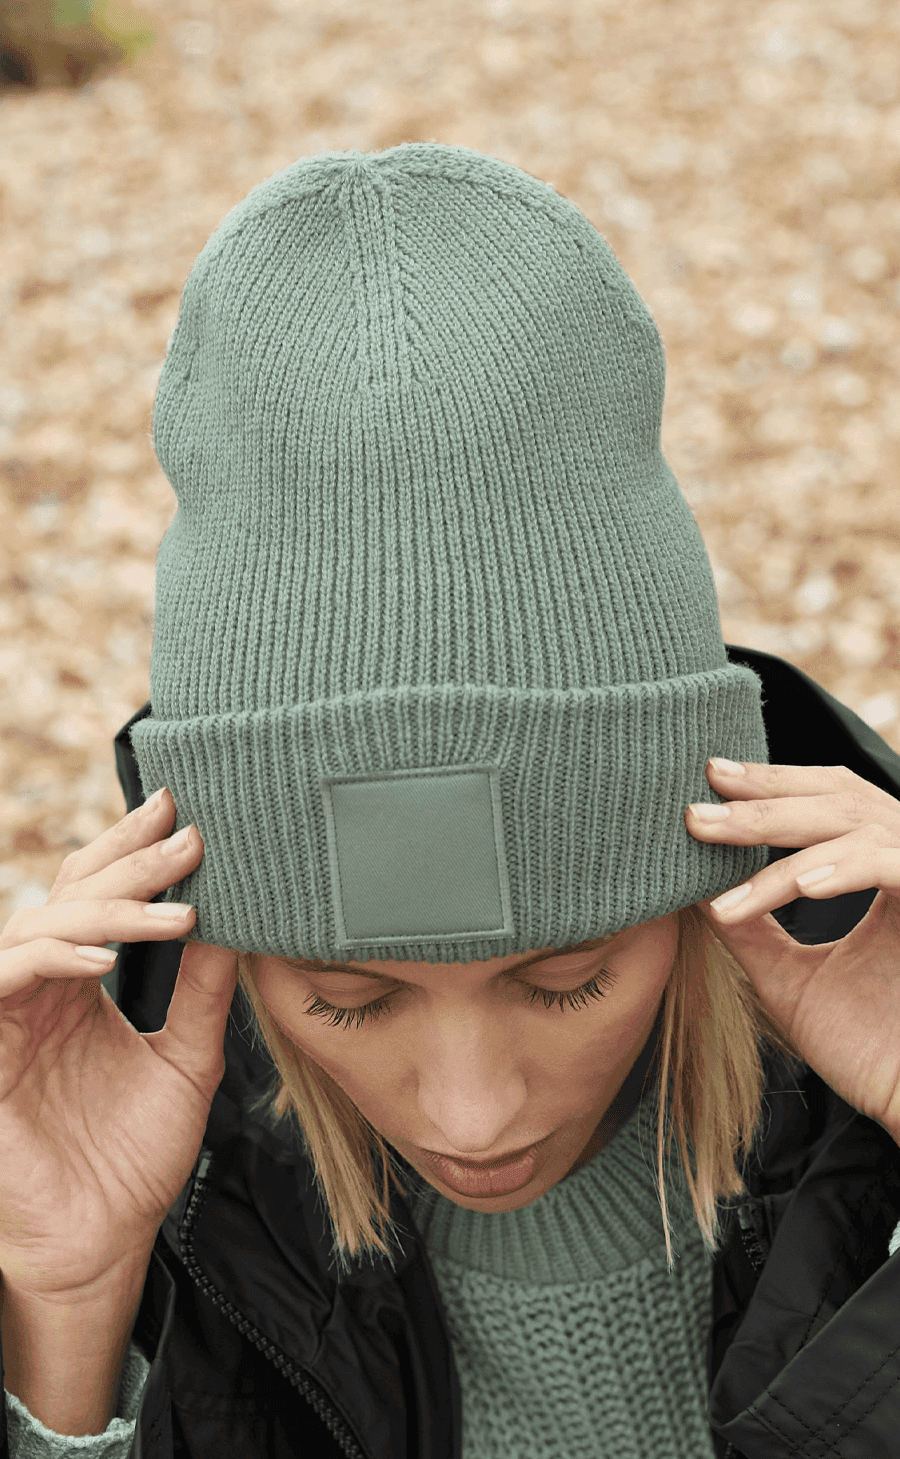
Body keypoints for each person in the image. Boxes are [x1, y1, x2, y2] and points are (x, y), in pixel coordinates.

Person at [2, 143, 900, 1459]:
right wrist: (68, 1302)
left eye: (567, 979)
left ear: (705, 875)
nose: (473, 1116)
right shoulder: (158, 1168)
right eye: (349, 997)